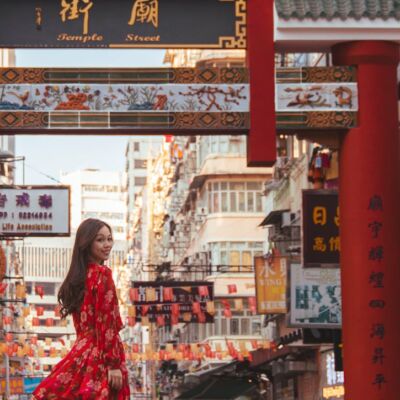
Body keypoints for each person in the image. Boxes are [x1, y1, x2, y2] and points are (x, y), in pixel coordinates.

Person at [31, 218, 130, 399]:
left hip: (80, 353)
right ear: (86, 243)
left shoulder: (77, 279)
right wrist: (113, 364)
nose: (107, 244)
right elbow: (106, 324)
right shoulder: (103, 274)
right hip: (101, 355)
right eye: (100, 240)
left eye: (109, 239)